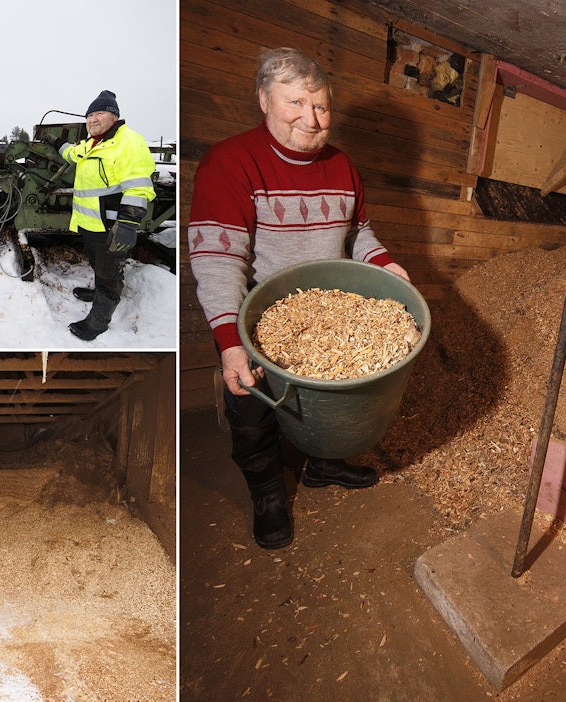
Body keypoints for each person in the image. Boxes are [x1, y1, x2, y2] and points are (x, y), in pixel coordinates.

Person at [188, 48, 411, 550]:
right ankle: (268, 497)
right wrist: (231, 342)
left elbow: (360, 236)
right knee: (252, 415)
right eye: (296, 104)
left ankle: (324, 466)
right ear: (264, 100)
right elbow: (217, 260)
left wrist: (384, 264)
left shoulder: (342, 166)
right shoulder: (230, 162)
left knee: (330, 403)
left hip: (335, 315)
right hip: (260, 320)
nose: (312, 120)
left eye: (322, 107)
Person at [59, 90, 157, 340]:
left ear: (114, 116)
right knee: (98, 264)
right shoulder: (94, 143)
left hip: (111, 226)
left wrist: (126, 224)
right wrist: (58, 145)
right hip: (90, 224)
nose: (92, 119)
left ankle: (97, 322)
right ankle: (100, 293)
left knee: (108, 274)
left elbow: (138, 187)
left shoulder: (129, 142)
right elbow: (73, 154)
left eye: (99, 113)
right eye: (89, 115)